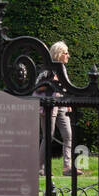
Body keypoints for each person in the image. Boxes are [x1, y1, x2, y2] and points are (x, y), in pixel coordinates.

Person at [38, 42, 74, 175]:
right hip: (49, 105)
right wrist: (50, 82)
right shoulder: (47, 69)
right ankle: (41, 168)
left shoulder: (63, 68)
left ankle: (67, 168)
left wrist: (69, 103)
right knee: (48, 136)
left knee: (68, 135)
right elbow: (37, 86)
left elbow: (66, 88)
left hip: (62, 105)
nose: (68, 56)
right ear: (59, 54)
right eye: (66, 53)